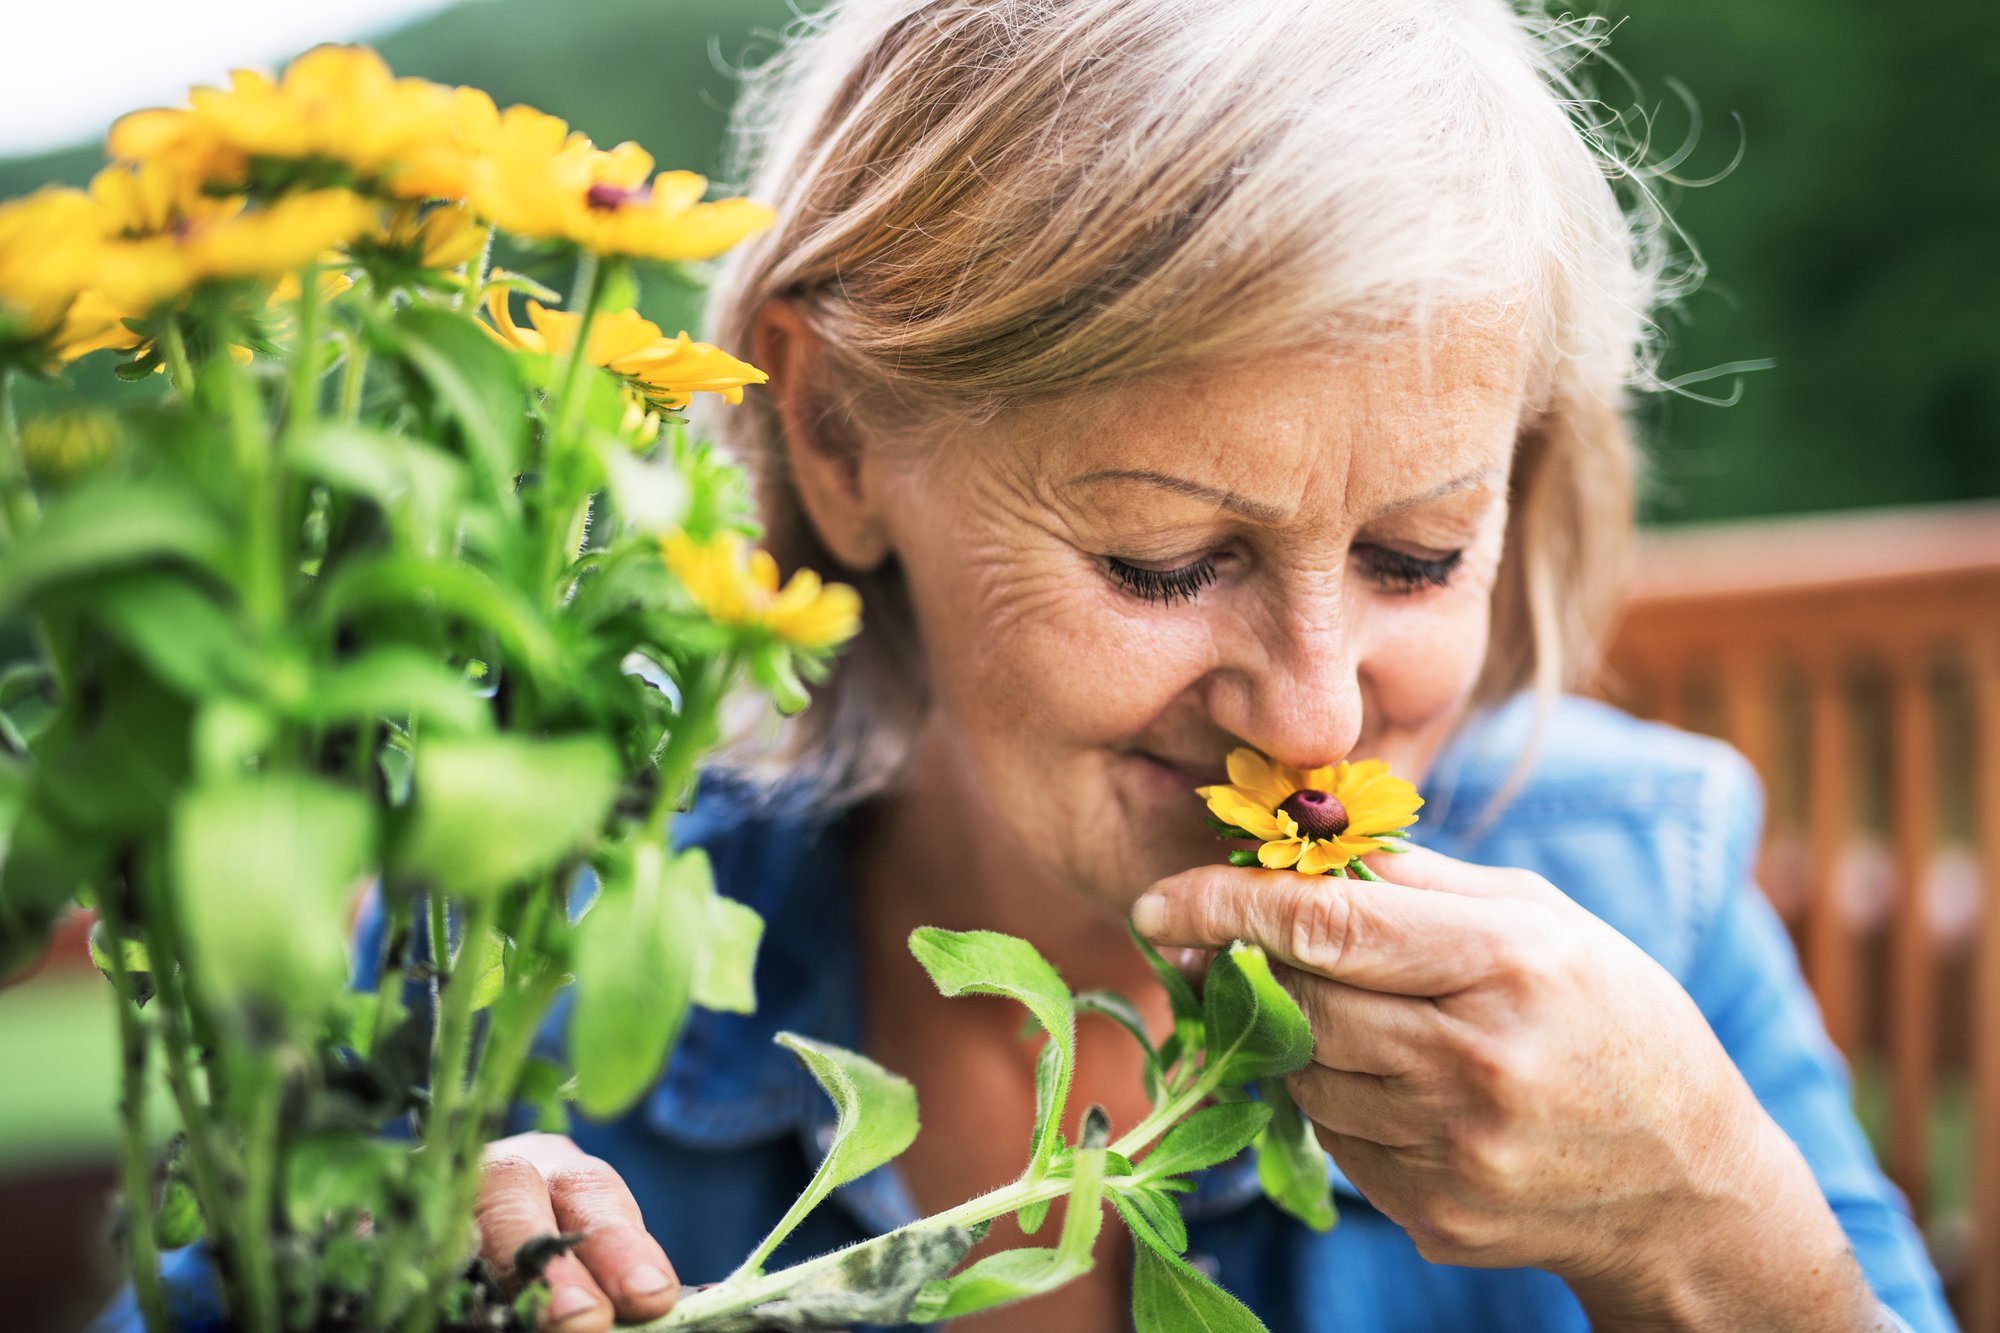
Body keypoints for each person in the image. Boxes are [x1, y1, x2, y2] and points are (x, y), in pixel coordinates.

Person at [466, 1, 1956, 1330]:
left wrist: (1702, 1230)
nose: (1315, 721)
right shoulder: (513, 940)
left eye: (1417, 554)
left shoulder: (1652, 889)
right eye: (1164, 563)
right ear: (838, 435)